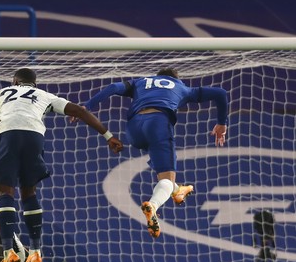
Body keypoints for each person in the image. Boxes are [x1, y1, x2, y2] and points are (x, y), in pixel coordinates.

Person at [0, 68, 124, 262]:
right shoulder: (44, 95)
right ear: (35, 82)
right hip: (34, 136)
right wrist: (108, 135)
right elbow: (79, 111)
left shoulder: (1, 94)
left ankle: (9, 251)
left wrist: (0, 150)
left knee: (4, 193)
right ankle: (35, 251)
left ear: (14, 81)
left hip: (7, 135)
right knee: (29, 193)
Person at [86, 68, 228, 239]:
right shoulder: (182, 88)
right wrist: (221, 123)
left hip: (133, 129)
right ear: (176, 79)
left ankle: (178, 190)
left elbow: (113, 88)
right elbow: (220, 93)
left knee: (165, 177)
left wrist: (87, 107)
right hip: (158, 123)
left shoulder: (139, 82)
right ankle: (152, 205)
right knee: (167, 178)